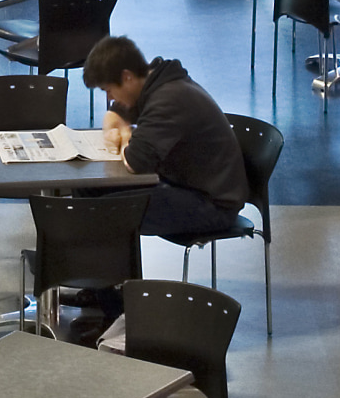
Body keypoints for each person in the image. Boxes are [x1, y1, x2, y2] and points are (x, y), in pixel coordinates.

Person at [83, 35, 250, 246]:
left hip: (212, 205)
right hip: (187, 187)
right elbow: (120, 111)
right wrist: (117, 119)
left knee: (104, 211)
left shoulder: (168, 99)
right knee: (89, 190)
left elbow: (135, 162)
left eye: (108, 90)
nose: (109, 98)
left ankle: (103, 273)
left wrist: (125, 135)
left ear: (127, 77)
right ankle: (89, 267)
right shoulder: (156, 80)